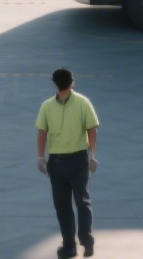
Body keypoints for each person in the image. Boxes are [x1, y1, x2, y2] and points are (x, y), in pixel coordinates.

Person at [35, 67, 99, 258]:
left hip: (57, 162)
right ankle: (86, 241)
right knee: (82, 202)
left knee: (63, 206)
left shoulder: (47, 106)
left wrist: (41, 157)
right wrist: (92, 155)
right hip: (78, 160)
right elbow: (92, 129)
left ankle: (70, 246)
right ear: (72, 82)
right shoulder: (83, 102)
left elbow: (42, 132)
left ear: (55, 84)